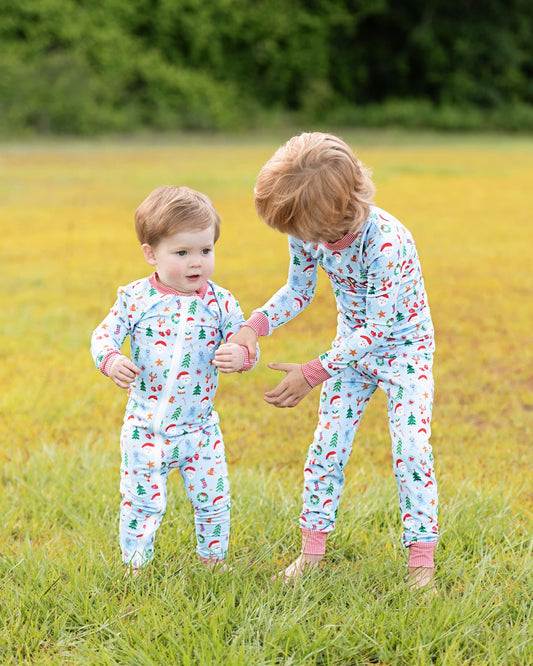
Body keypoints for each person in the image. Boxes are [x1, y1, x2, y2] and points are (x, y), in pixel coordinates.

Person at [229, 132, 438, 590]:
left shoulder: (386, 242)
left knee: (411, 452)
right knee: (327, 447)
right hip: (349, 352)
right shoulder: (309, 232)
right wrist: (254, 326)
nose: (301, 242)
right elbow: (299, 290)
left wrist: (312, 372)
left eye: (303, 232)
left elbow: (380, 329)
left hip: (404, 351)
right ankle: (311, 553)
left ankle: (421, 566)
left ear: (339, 213)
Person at [91, 185, 258, 575]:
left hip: (200, 429)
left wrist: (243, 355)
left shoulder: (221, 302)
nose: (196, 262)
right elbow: (104, 335)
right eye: (181, 253)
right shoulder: (135, 298)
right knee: (142, 501)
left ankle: (214, 562)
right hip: (147, 426)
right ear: (151, 254)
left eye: (205, 250)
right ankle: (136, 566)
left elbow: (245, 339)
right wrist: (111, 359)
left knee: (214, 499)